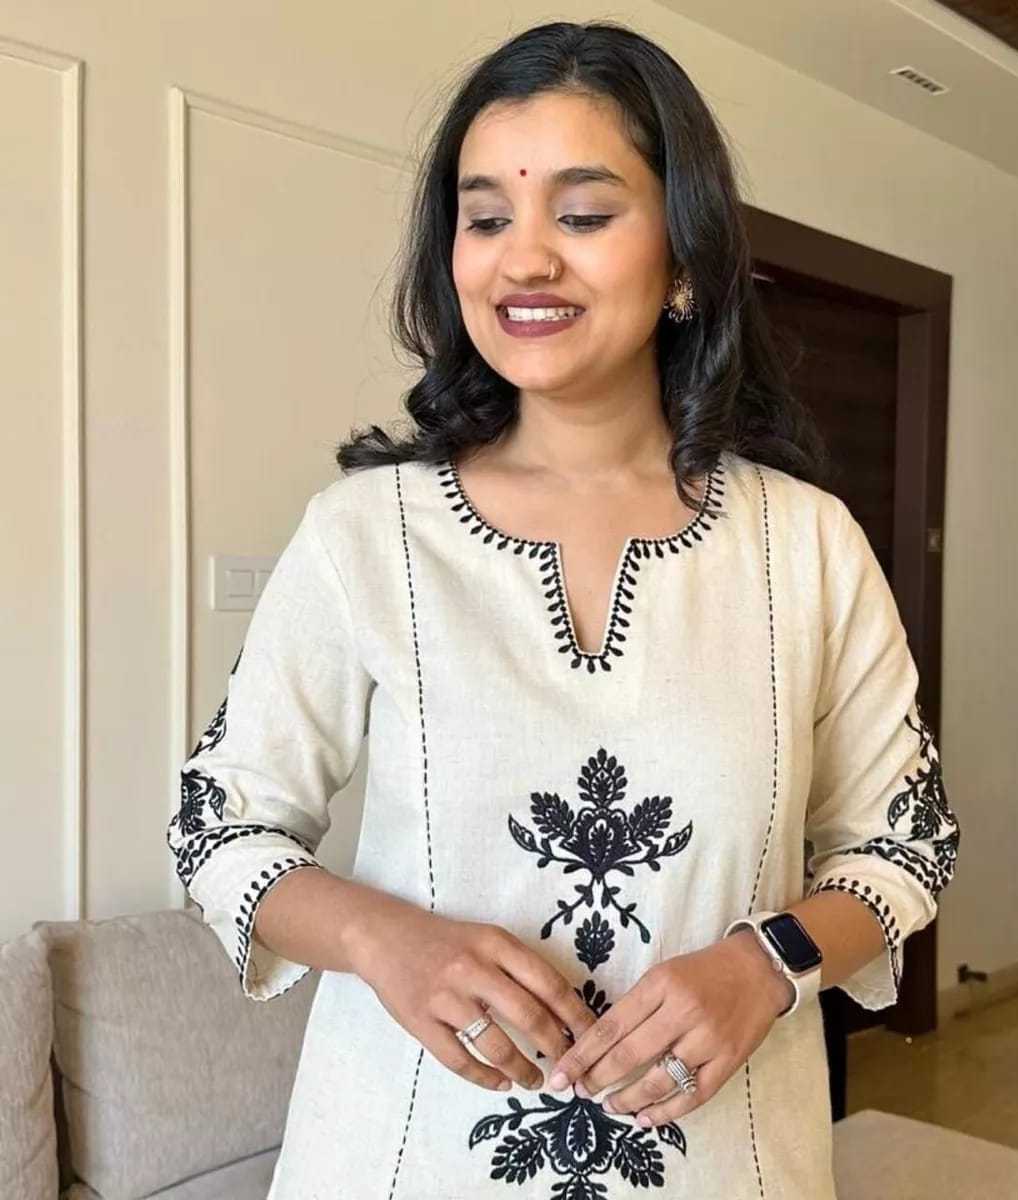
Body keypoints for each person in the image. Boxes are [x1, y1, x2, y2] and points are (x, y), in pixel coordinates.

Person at [166, 19, 960, 1199]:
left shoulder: (807, 544)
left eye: (582, 216)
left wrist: (769, 963)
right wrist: (385, 941)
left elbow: (904, 844)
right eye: (486, 219)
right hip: (402, 1157)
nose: (524, 260)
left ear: (685, 259)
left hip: (724, 1163)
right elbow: (217, 828)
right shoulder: (365, 535)